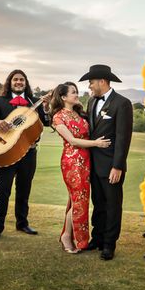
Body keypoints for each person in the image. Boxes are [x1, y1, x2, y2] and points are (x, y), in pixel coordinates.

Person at [0, 69, 50, 241]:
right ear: (10, 82)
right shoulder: (0, 100)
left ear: (26, 83)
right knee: (2, 191)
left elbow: (46, 121)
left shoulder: (34, 101)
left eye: (22, 80)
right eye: (16, 80)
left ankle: (22, 223)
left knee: (24, 189)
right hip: (5, 151)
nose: (19, 82)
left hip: (29, 153)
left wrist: (46, 107)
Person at [49, 82, 110, 253]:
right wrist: (96, 143)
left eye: (76, 91)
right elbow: (73, 141)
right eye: (73, 92)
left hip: (86, 160)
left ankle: (71, 236)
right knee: (79, 199)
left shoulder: (79, 113)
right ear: (63, 97)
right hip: (72, 161)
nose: (77, 94)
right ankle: (67, 237)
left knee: (79, 198)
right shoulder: (58, 117)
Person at [81, 64, 133, 260]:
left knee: (112, 205)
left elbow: (123, 138)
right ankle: (98, 238)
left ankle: (109, 244)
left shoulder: (122, 103)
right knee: (98, 203)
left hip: (111, 166)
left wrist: (117, 166)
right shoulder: (91, 102)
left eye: (91, 82)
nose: (90, 86)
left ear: (102, 81)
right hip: (92, 165)